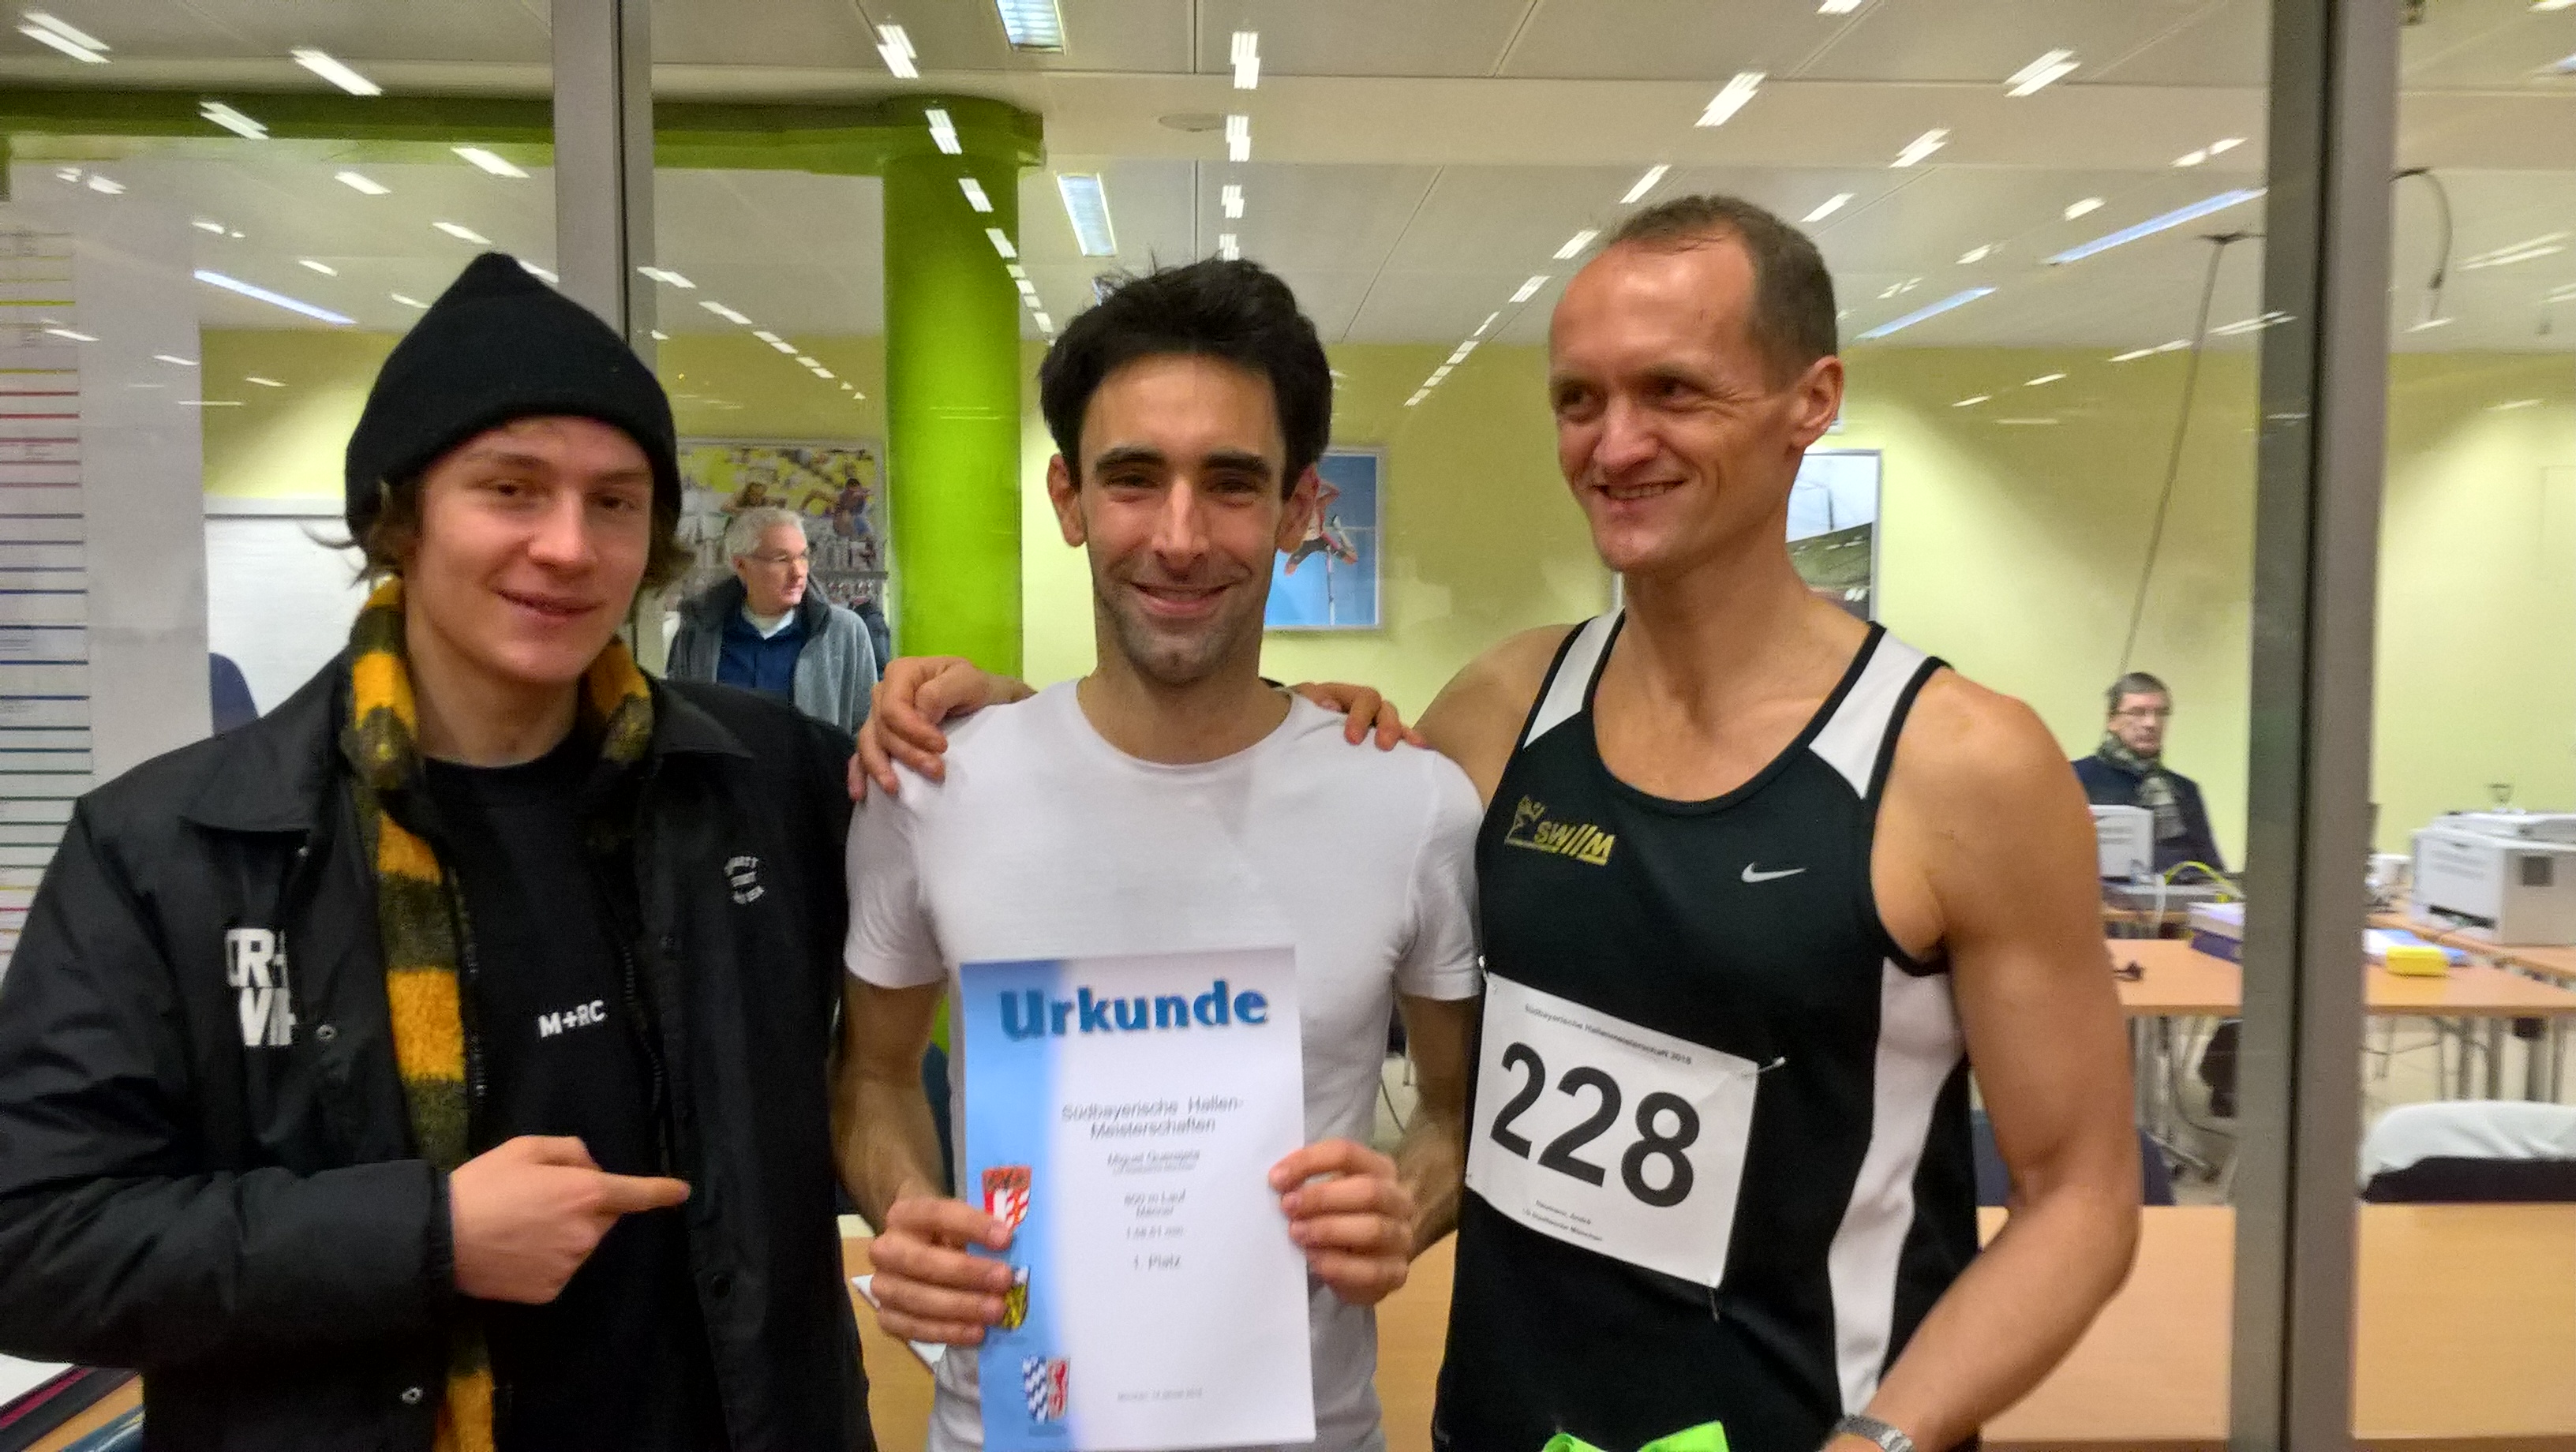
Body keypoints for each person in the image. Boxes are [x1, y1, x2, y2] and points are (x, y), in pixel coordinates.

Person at [861, 196, 2140, 1452]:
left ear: (1812, 400)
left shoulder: (1962, 766)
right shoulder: (1502, 711)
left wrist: (1884, 1440)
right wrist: (1013, 729)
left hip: (1805, 1422)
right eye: (1579, 399)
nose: (1616, 443)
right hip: (1501, 1422)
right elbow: (1216, 766)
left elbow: (2080, 1200)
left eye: (1673, 391)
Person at [0, 253, 870, 1452]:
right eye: (511, 490)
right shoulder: (177, 848)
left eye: (615, 502)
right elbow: (34, 1240)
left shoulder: (765, 784)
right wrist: (430, 1238)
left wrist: (993, 732)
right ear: (399, 516)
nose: (567, 546)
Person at [835, 257, 1481, 1452]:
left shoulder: (1411, 807)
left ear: (1298, 510)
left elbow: (1456, 1106)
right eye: (1134, 479)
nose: (1180, 539)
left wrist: (1409, 1202)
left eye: (1232, 483)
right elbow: (871, 1077)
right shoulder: (930, 788)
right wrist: (910, 1209)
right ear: (1069, 498)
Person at [666, 505, 879, 735]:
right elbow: (681, 723)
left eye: (803, 556)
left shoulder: (844, 632)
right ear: (741, 565)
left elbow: (867, 727)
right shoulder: (698, 633)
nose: (798, 572)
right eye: (781, 559)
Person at [2072, 671, 2227, 876]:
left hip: (2181, 894)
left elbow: (2213, 872)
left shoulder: (2185, 790)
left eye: (2161, 713)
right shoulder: (2074, 779)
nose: (2151, 724)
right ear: (2112, 720)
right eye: (2138, 712)